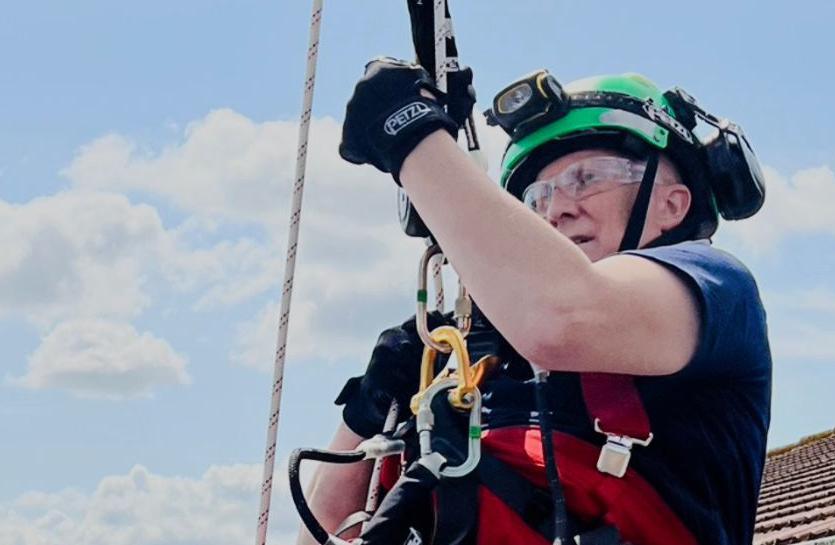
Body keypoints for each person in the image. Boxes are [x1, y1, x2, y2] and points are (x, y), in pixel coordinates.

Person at [298, 59, 771, 545]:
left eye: (587, 178)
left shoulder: (716, 286)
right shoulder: (472, 370)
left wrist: (412, 137)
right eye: (537, 197)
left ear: (674, 204)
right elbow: (325, 531)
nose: (557, 208)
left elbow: (562, 317)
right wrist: (367, 410)